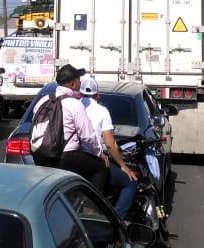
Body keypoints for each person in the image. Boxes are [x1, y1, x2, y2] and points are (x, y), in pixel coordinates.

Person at [30, 64, 107, 193]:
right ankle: (90, 207)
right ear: (72, 84)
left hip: (40, 156)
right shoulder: (74, 104)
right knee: (101, 168)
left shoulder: (43, 100)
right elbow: (87, 137)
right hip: (65, 158)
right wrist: (100, 154)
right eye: (78, 79)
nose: (80, 82)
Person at [79, 75, 138, 218]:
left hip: (73, 159)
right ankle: (117, 222)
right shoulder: (102, 111)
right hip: (94, 160)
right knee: (130, 183)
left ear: (79, 93)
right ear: (97, 95)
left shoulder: (74, 106)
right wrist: (123, 166)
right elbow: (110, 145)